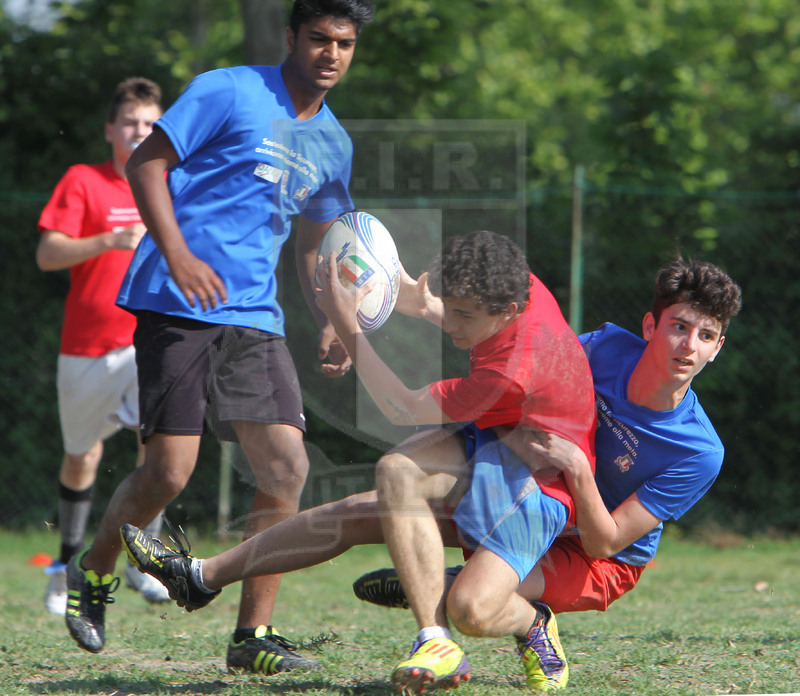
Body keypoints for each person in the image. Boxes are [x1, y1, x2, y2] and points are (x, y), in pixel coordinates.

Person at [120, 230, 597, 692]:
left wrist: (350, 328)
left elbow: (401, 408)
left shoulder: (512, 372)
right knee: (390, 478)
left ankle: (531, 620)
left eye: (464, 316)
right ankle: (202, 577)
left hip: (539, 478)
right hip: (499, 436)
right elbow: (422, 300)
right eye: (451, 307)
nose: (450, 323)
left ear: (508, 311)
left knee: (473, 610)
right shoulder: (513, 280)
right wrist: (375, 290)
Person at [63, 0, 375, 674]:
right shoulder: (227, 89)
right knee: (167, 474)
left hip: (254, 318)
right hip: (176, 301)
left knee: (287, 469)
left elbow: (316, 245)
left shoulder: (334, 142)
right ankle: (94, 572)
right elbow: (146, 164)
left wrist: (333, 318)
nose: (331, 54)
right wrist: (175, 253)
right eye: (319, 38)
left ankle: (251, 638)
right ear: (291, 37)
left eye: (344, 44)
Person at [352, 258, 744, 688]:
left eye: (705, 336)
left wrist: (577, 467)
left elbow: (605, 540)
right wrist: (421, 309)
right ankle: (262, 619)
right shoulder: (603, 348)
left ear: (718, 347)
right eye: (679, 327)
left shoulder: (700, 451)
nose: (689, 345)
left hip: (598, 556)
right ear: (650, 326)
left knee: (470, 608)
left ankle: (528, 620)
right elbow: (519, 374)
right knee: (356, 512)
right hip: (540, 497)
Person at [36, 77, 170, 616]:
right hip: (87, 347)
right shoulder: (83, 180)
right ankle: (65, 560)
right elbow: (48, 254)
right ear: (111, 130)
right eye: (131, 123)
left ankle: (144, 561)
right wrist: (109, 241)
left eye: (149, 124)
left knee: (158, 448)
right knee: (81, 456)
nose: (140, 132)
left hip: (148, 342)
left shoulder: (169, 183)